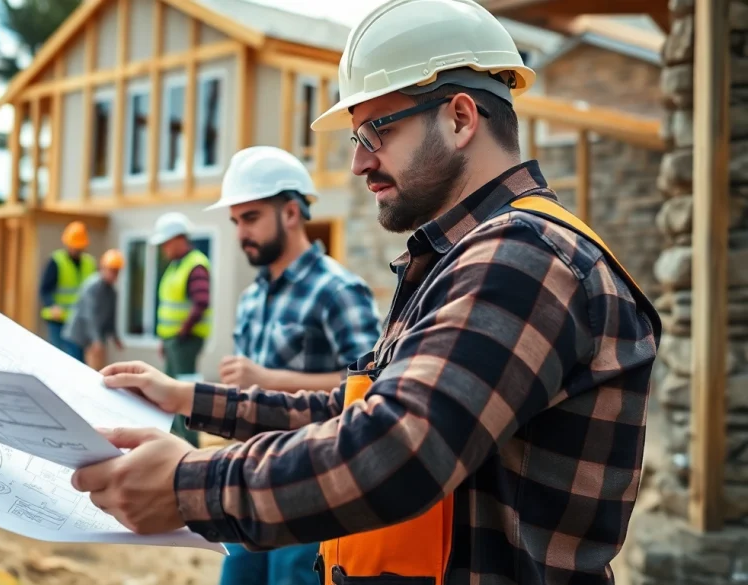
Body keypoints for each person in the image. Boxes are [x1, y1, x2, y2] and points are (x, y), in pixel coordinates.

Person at [71, 1, 662, 584]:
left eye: (377, 129)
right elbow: (356, 409)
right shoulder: (466, 258)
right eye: (357, 136)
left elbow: (399, 447)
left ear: (460, 118)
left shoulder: (525, 257)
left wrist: (190, 486)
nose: (358, 162)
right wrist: (189, 399)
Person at [206, 145, 383, 585]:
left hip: (309, 486)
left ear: (289, 212)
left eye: (250, 218)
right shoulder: (251, 299)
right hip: (249, 483)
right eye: (236, 222)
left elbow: (371, 388)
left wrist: (267, 380)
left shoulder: (339, 290)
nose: (240, 233)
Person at [150, 211, 210, 447]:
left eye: (166, 243)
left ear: (178, 239)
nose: (164, 248)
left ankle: (191, 443)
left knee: (184, 390)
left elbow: (201, 302)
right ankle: (176, 439)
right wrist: (165, 340)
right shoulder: (177, 266)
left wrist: (182, 332)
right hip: (173, 340)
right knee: (170, 389)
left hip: (185, 340)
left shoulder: (195, 265)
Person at [39, 221, 97, 360]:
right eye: (74, 246)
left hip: (78, 321)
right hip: (58, 321)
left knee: (77, 359)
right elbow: (45, 289)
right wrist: (52, 305)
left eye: (79, 247)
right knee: (59, 358)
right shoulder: (57, 261)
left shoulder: (89, 263)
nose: (76, 250)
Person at [62, 249, 126, 369]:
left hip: (90, 338)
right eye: (112, 270)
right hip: (77, 335)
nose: (114, 275)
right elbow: (89, 316)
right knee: (75, 369)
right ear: (103, 268)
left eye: (116, 271)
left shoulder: (112, 292)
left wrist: (115, 337)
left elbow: (110, 317)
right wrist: (96, 339)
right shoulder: (92, 286)